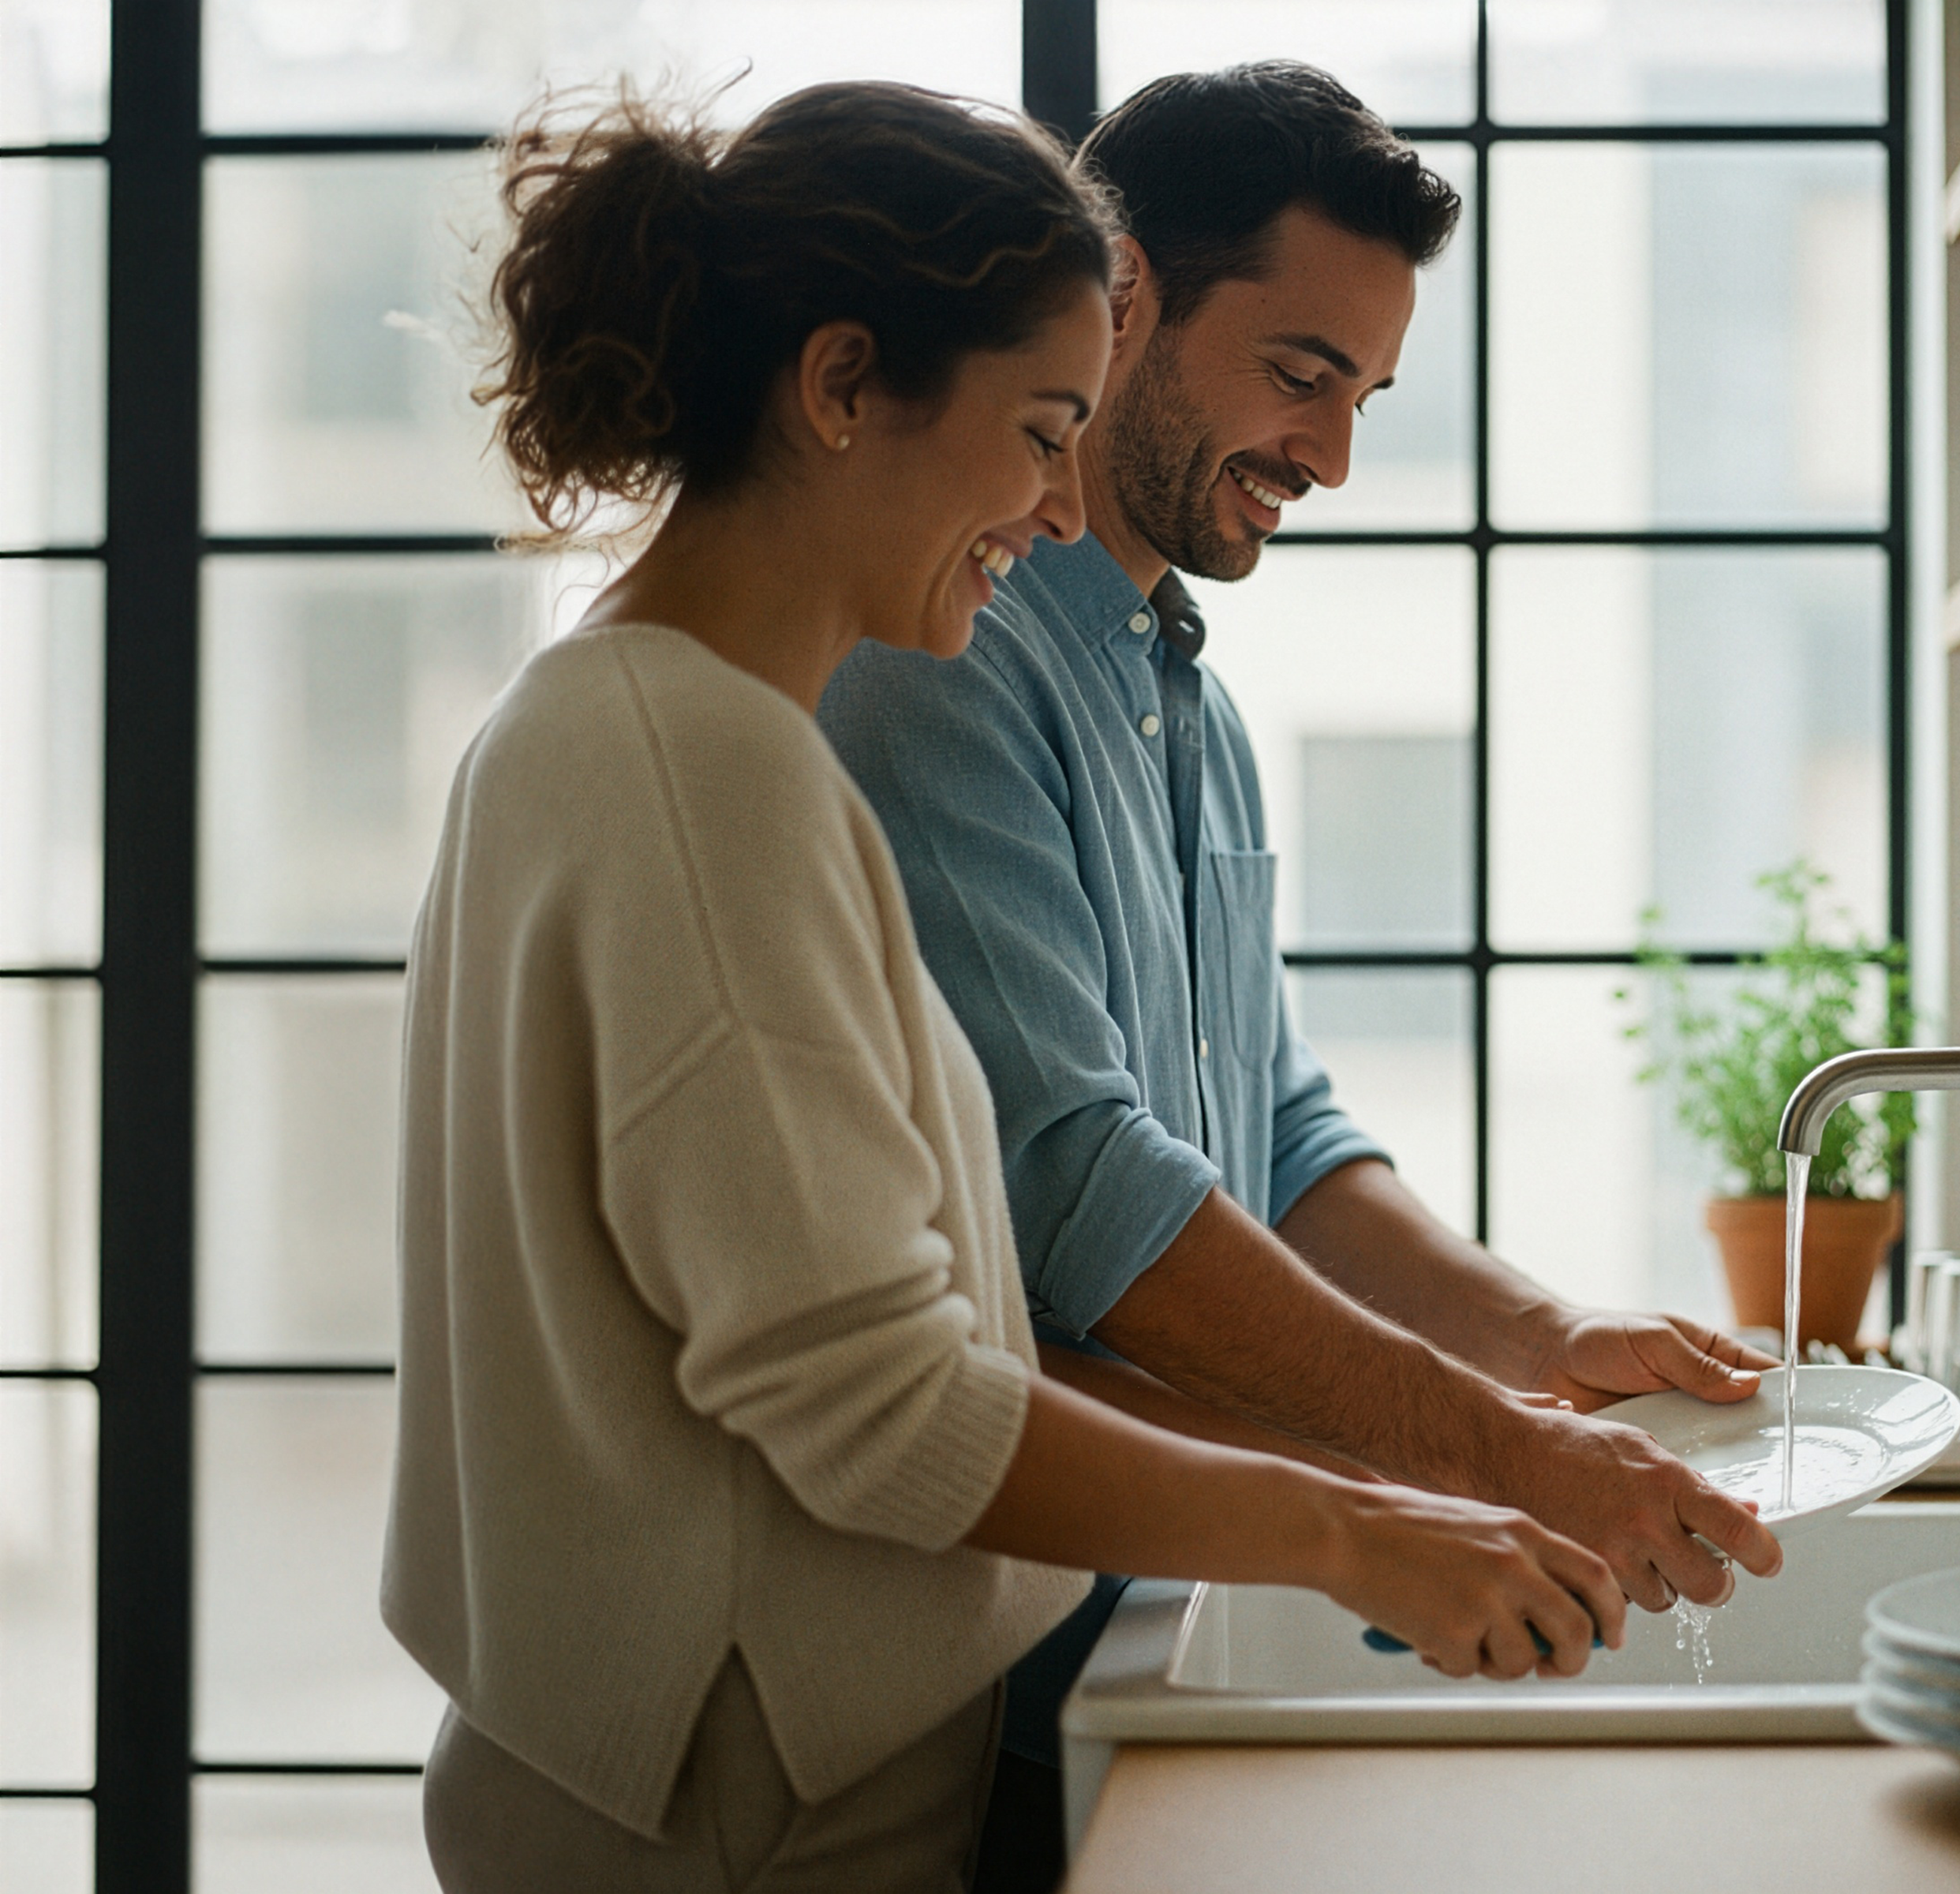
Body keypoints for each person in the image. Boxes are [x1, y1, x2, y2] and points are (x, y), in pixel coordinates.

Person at [384, 82, 1625, 1894]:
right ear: (835, 389)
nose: (1057, 506)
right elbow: (889, 1403)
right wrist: (1365, 1526)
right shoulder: (699, 765)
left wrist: (1458, 1428)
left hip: (697, 1778)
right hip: (738, 1817)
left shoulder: (644, 728)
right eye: (1042, 428)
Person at [815, 62, 1786, 1870]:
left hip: (1167, 1597)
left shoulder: (1195, 702)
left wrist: (1538, 1332)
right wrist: (1484, 1449)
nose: (1334, 456)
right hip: (988, 1660)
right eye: (1302, 375)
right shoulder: (946, 659)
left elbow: (1279, 1131)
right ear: (1126, 296)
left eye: (1367, 396)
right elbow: (1083, 1191)